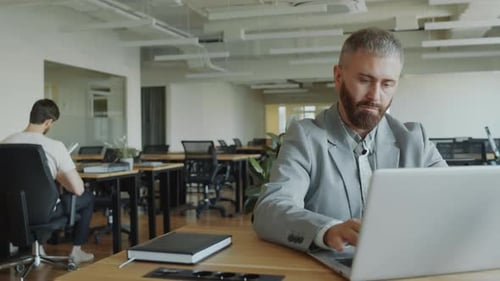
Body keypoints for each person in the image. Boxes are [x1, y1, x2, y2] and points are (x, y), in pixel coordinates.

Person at [252, 28, 447, 253]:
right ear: (338, 76)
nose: (375, 96)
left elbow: (454, 200)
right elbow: (269, 209)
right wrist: (328, 230)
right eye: (365, 80)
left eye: (387, 84)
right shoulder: (306, 137)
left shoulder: (415, 140)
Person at [2, 99, 95, 264]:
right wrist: (59, 176)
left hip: (11, 211)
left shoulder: (5, 143)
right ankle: (77, 251)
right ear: (48, 122)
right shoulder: (54, 146)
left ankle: (35, 247)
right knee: (87, 197)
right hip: (44, 213)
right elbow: (78, 189)